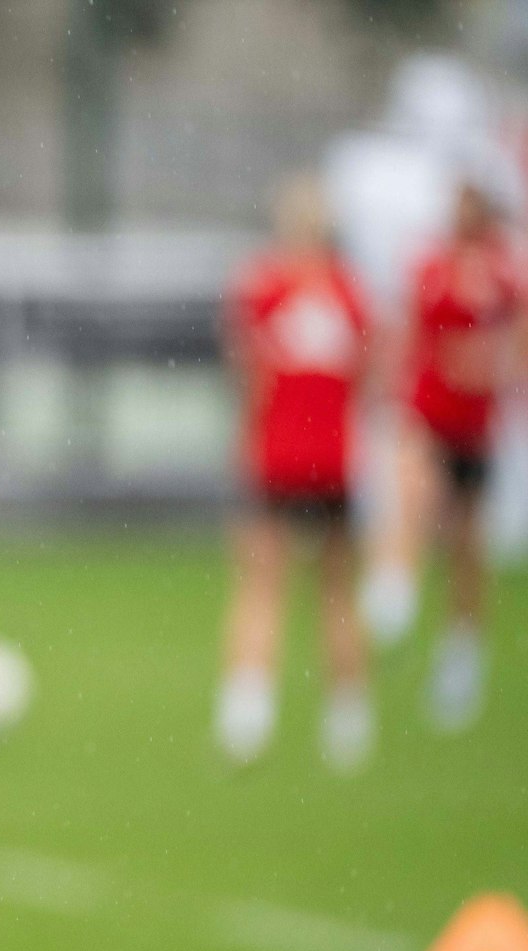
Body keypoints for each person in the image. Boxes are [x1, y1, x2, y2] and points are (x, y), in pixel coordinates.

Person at [214, 176, 376, 770]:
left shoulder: (263, 287)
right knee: (336, 590)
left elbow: (246, 376)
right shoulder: (350, 292)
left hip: (276, 460)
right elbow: (369, 376)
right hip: (332, 462)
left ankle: (246, 713)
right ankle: (348, 718)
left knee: (260, 586)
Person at [363, 178, 522, 730]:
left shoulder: (508, 273)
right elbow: (406, 332)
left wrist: (493, 369)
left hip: (475, 427)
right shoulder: (431, 267)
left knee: (467, 546)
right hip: (427, 411)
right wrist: (390, 384)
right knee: (415, 492)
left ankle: (462, 651)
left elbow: (517, 350)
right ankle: (395, 585)